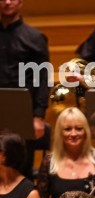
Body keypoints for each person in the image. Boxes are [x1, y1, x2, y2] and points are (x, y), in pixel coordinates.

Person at [36, 108, 95, 198]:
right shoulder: (49, 162)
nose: (73, 134)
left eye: (79, 128)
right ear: (59, 133)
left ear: (86, 132)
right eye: (67, 129)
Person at [0, 0, 50, 159]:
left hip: (22, 112)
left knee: (21, 166)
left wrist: (38, 116)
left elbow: (42, 78)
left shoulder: (35, 38)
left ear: (21, 2)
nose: (7, 2)